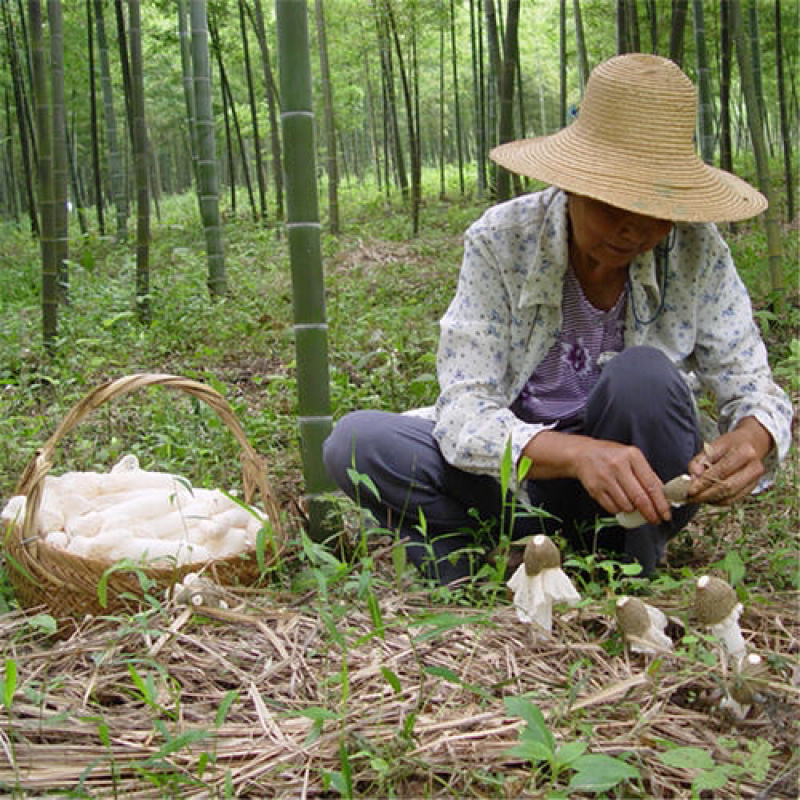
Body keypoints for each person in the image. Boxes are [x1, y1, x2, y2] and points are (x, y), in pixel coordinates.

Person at [323, 53, 793, 585]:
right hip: (522, 473)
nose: (634, 230)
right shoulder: (503, 240)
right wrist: (576, 454)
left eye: (656, 212)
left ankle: (623, 558)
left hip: (641, 485)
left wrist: (754, 438)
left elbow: (754, 387)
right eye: (614, 205)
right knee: (355, 443)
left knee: (641, 377)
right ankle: (509, 541)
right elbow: (464, 409)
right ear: (573, 185)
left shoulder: (695, 250)